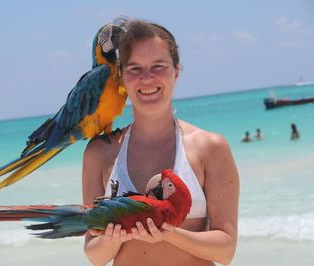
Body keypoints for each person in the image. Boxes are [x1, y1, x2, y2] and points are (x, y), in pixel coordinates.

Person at [82, 19, 239, 266]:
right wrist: (113, 239)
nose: (147, 78)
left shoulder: (210, 148)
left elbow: (226, 250)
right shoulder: (99, 153)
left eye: (158, 66)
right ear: (121, 76)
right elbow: (94, 253)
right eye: (135, 68)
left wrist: (169, 233)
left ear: (176, 71)